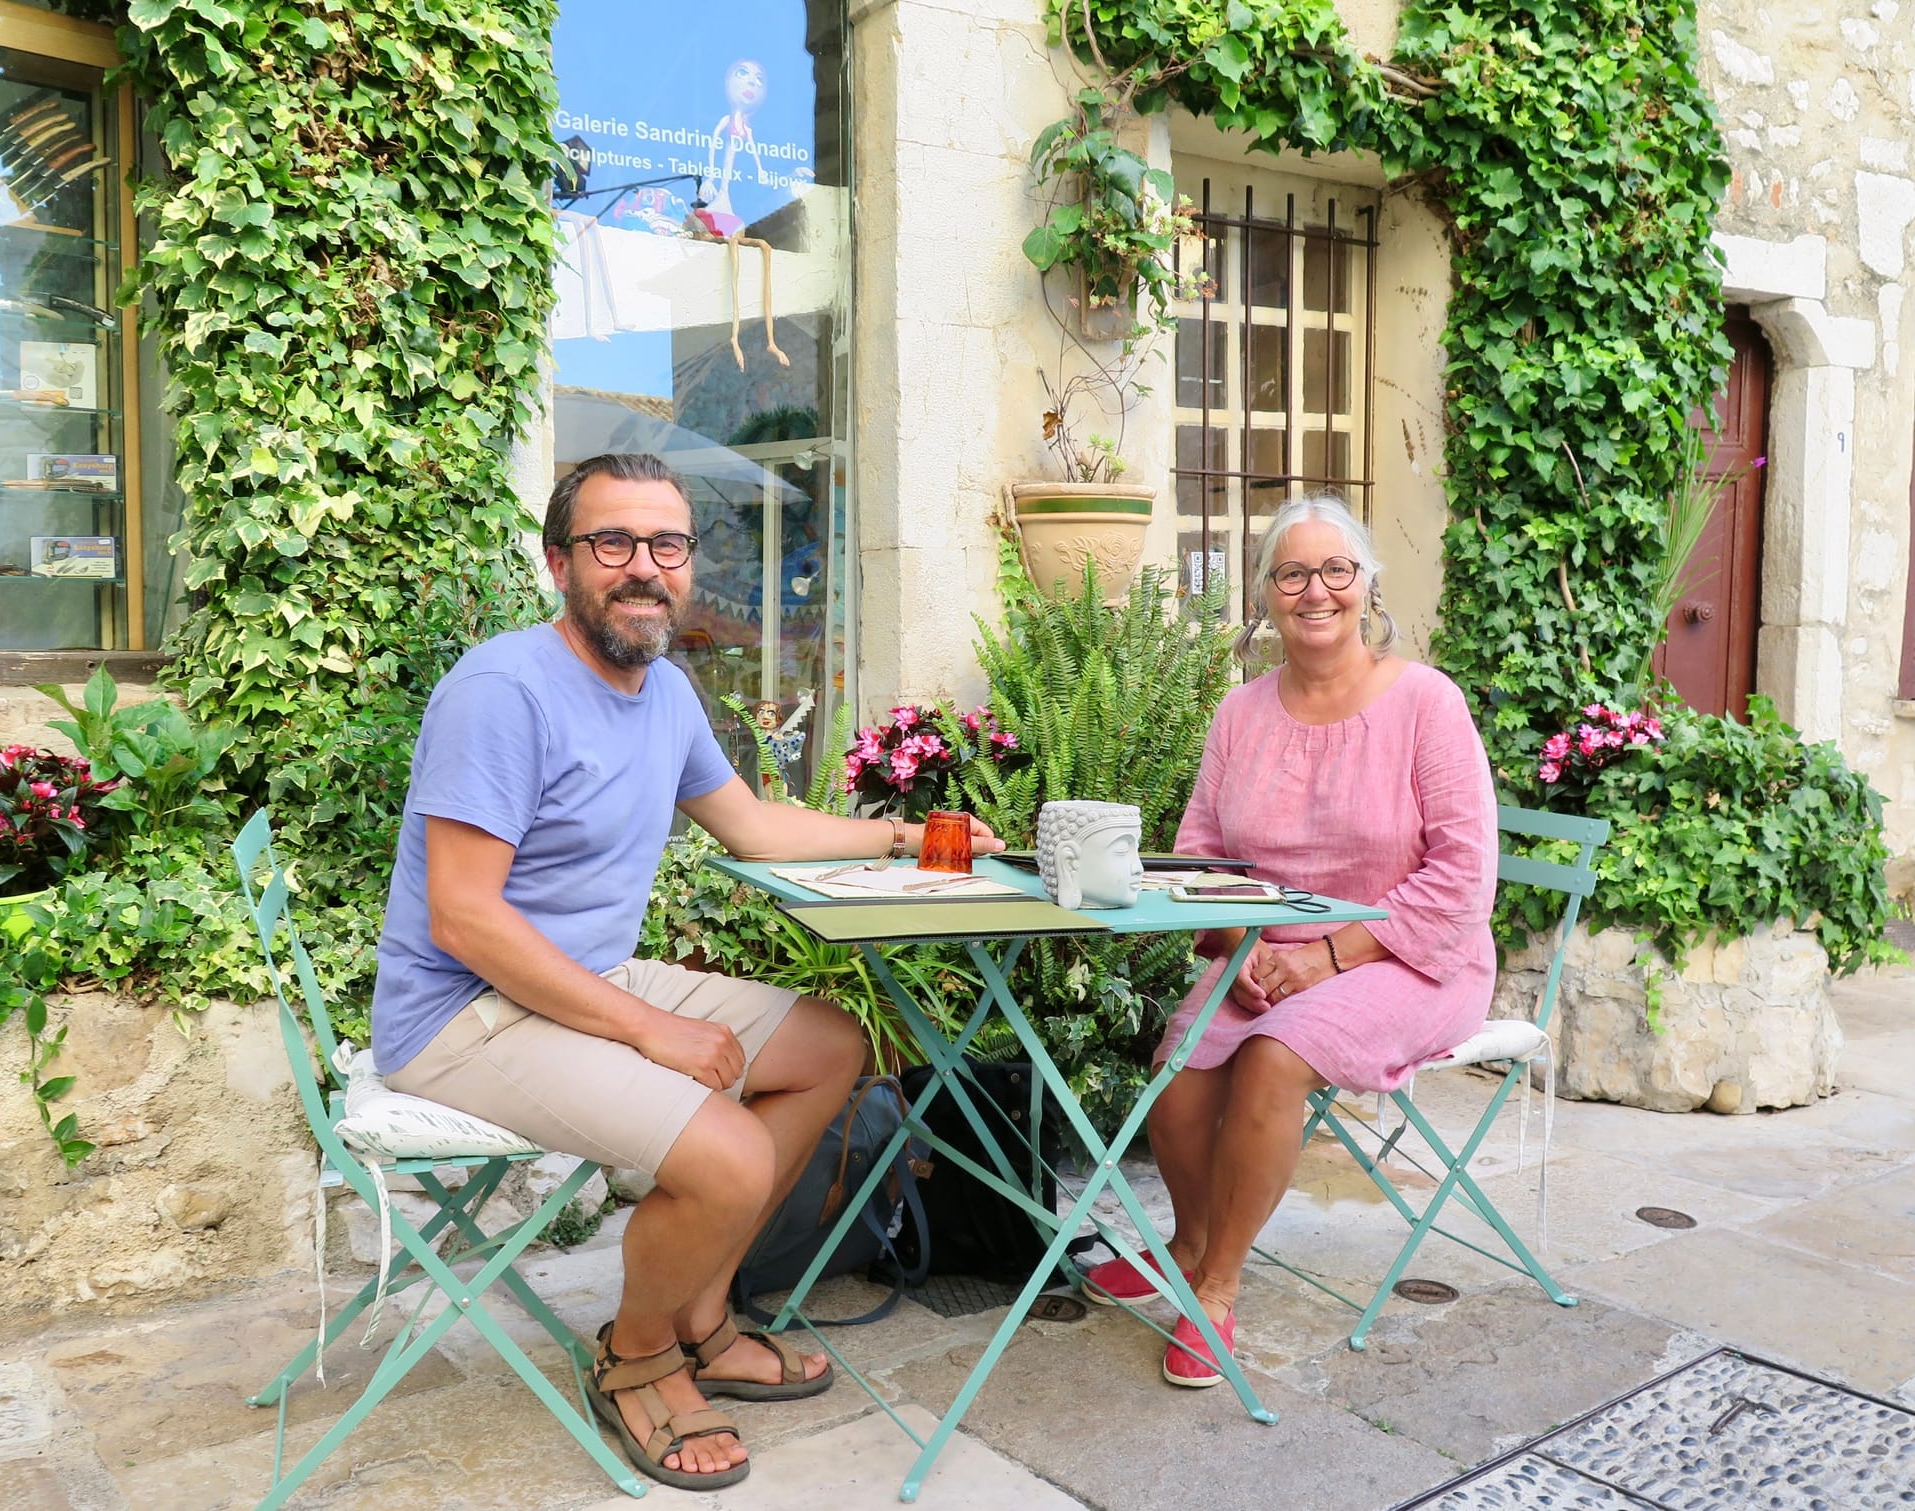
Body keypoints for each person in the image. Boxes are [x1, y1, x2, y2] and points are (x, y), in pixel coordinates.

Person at [369, 452, 1000, 1488]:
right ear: (556, 562)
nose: (641, 567)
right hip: (463, 1017)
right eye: (611, 542)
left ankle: (700, 1308)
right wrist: (646, 1027)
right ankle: (636, 1354)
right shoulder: (501, 692)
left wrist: (899, 838)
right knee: (730, 1159)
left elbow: (749, 824)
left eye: (664, 545)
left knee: (829, 1045)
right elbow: (465, 918)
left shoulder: (660, 689)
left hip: (576, 979)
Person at [1078, 494, 1498, 1388]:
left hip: (1408, 953)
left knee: (1272, 1058)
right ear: (1267, 593)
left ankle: (1217, 1295)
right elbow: (1197, 856)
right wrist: (1238, 943)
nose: (1318, 591)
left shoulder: (1426, 702)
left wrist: (1325, 956)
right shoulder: (1241, 715)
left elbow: (1464, 876)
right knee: (1178, 1070)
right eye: (1293, 573)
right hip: (1263, 954)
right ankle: (1190, 1245)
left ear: (1367, 585)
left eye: (1336, 570)